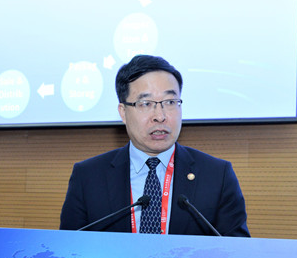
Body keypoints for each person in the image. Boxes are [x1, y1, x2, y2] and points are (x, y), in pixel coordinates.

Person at [59, 54, 250, 237]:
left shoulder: (217, 176)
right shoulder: (88, 177)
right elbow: (68, 249)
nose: (160, 116)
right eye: (146, 103)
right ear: (123, 112)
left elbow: (238, 251)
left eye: (170, 102)